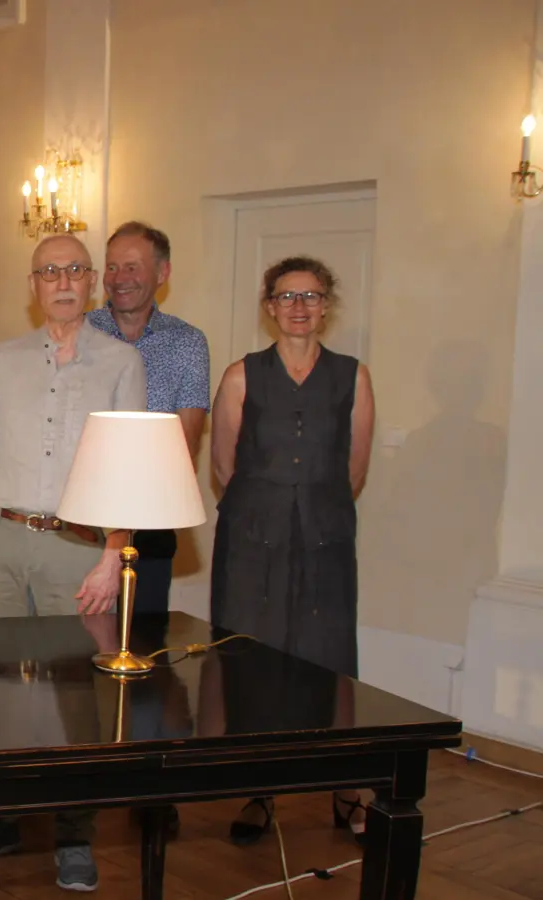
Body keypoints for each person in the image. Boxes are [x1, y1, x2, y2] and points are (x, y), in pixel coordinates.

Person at [0, 234, 147, 892]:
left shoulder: (121, 363)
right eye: (47, 271)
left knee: (74, 697)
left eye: (73, 270)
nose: (61, 281)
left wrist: (112, 556)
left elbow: (128, 466)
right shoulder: (4, 360)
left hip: (78, 550)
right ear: (32, 285)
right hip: (2, 538)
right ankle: (0, 819)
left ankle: (73, 831)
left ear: (90, 283)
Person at [210, 256, 375, 846]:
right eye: (286, 296)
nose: (298, 307)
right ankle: (262, 790)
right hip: (253, 543)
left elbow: (353, 469)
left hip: (326, 542)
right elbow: (225, 466)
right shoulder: (240, 375)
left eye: (310, 296)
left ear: (327, 305)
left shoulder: (353, 377)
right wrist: (270, 511)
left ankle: (347, 789)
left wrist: (311, 511)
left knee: (330, 660)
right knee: (256, 662)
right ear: (268, 306)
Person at [90, 221, 210, 615]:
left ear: (162, 273)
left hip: (151, 524)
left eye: (132, 267)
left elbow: (185, 445)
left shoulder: (187, 343)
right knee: (76, 652)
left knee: (141, 646)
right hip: (81, 522)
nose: (119, 279)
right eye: (112, 267)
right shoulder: (81, 333)